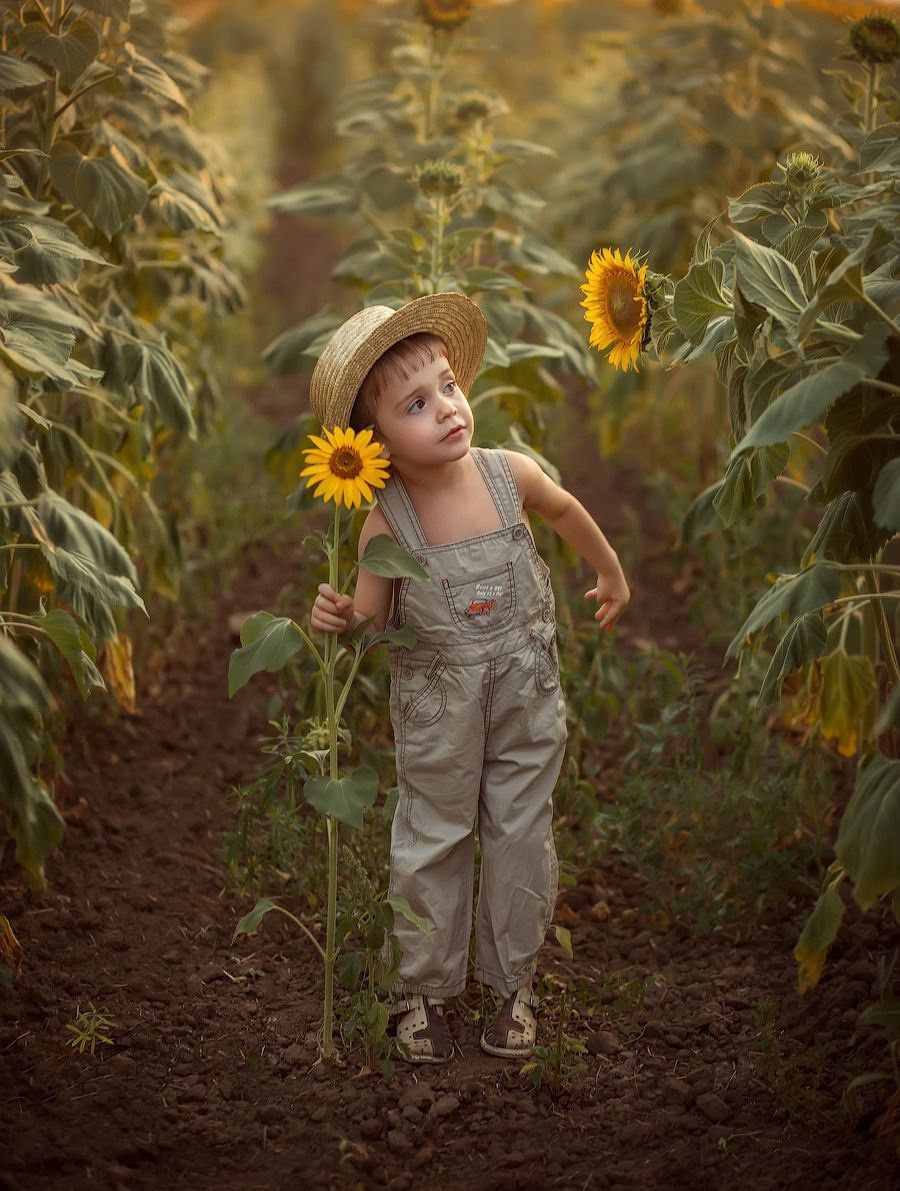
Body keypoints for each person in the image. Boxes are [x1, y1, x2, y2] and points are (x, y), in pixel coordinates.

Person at [308, 292, 629, 1063]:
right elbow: (372, 611)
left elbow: (564, 506)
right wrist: (338, 612)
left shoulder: (505, 473)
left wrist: (609, 570)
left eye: (449, 385)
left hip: (524, 691)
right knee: (435, 830)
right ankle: (422, 989)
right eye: (416, 404)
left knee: (521, 826)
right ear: (372, 439)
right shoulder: (387, 519)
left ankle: (513, 979)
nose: (449, 408)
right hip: (437, 703)